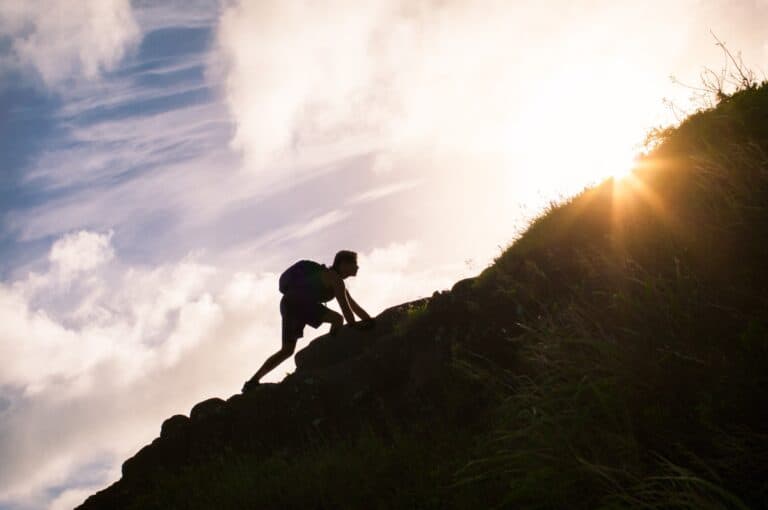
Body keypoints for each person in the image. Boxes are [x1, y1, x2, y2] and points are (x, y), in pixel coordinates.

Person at [242, 250, 375, 391]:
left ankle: (252, 381)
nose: (357, 267)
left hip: (288, 303)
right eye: (354, 264)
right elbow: (347, 312)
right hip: (300, 304)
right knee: (337, 319)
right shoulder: (335, 280)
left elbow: (354, 306)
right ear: (343, 264)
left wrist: (369, 320)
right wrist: (362, 327)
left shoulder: (334, 279)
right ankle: (330, 352)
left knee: (287, 350)